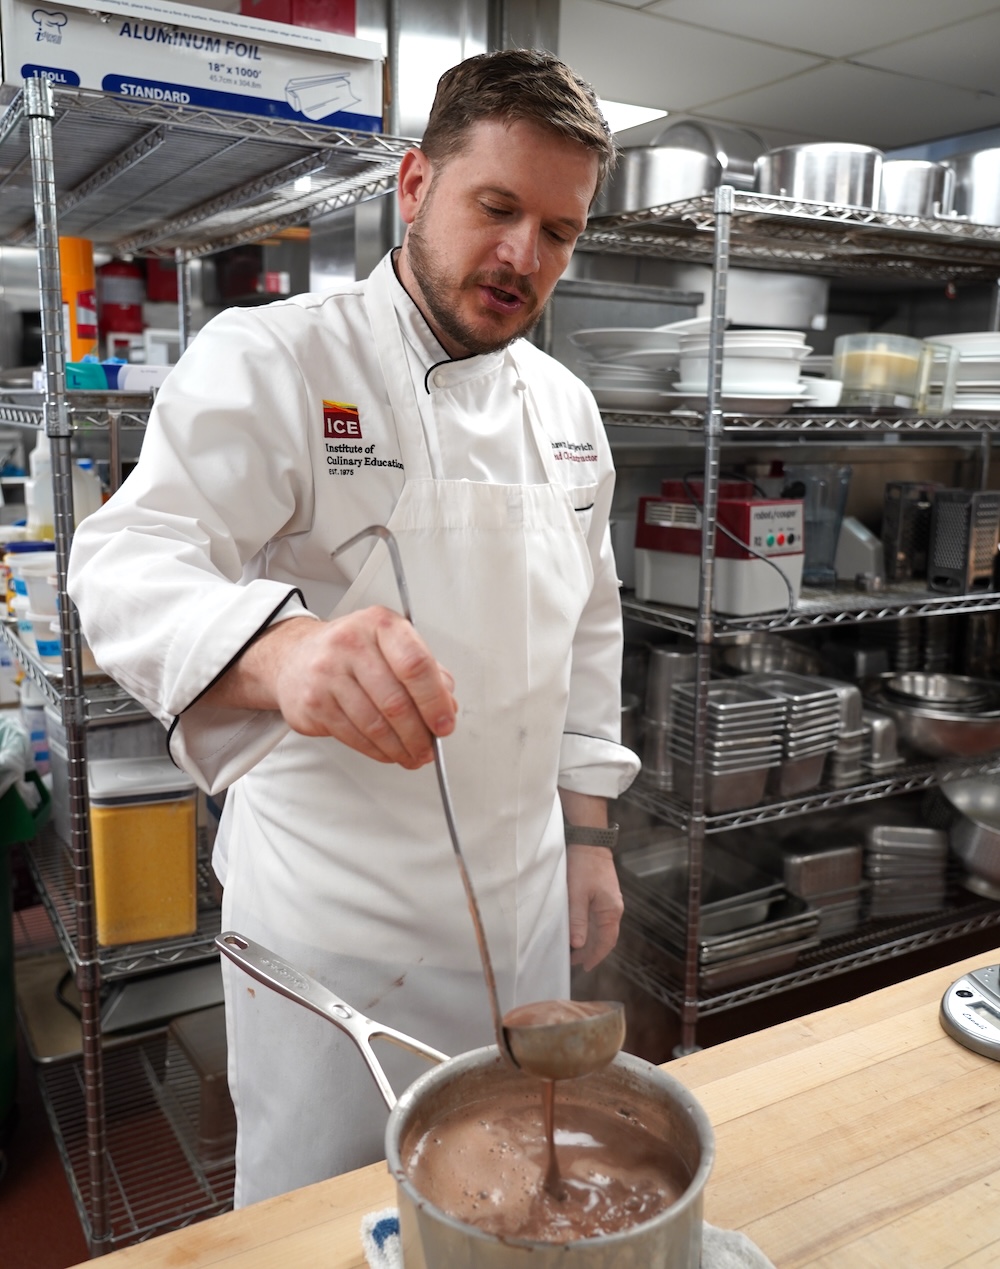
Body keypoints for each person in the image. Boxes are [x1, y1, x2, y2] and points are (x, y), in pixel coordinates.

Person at [68, 47, 640, 1206]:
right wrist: (278, 652)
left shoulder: (566, 410)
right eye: (496, 208)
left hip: (523, 904)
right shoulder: (274, 360)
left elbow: (587, 630)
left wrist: (588, 835)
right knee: (321, 1216)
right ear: (414, 185)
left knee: (506, 1197)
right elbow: (125, 562)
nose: (523, 257)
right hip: (336, 929)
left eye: (559, 231)